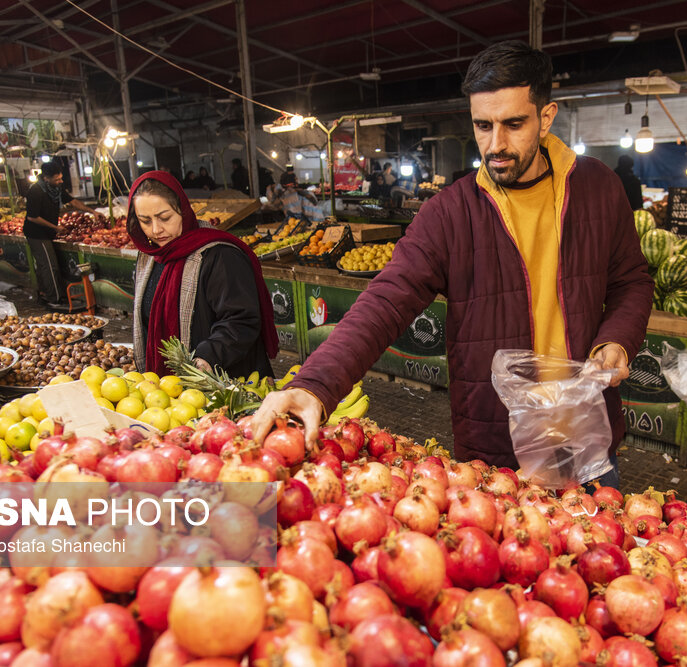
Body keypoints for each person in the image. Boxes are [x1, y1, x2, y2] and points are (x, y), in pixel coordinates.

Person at [250, 41, 654, 489]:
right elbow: (386, 300)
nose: (495, 145)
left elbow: (631, 281)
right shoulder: (450, 213)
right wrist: (314, 386)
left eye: (513, 124)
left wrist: (617, 338)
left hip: (588, 439)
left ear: (546, 116)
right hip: (498, 454)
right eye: (483, 125)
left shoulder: (598, 186)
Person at [127, 171, 279, 378]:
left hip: (227, 383)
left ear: (183, 209)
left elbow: (242, 320)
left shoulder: (219, 255)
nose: (156, 230)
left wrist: (207, 356)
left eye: (165, 218)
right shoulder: (150, 258)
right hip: (169, 389)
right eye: (145, 221)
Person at [24, 162, 103, 307]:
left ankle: (44, 294)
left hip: (49, 232)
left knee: (44, 265)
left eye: (61, 178)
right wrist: (55, 227)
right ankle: (54, 299)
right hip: (36, 233)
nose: (60, 181)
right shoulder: (36, 191)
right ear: (46, 178)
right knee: (49, 265)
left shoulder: (56, 189)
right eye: (57, 179)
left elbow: (73, 201)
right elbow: (32, 217)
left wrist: (92, 211)